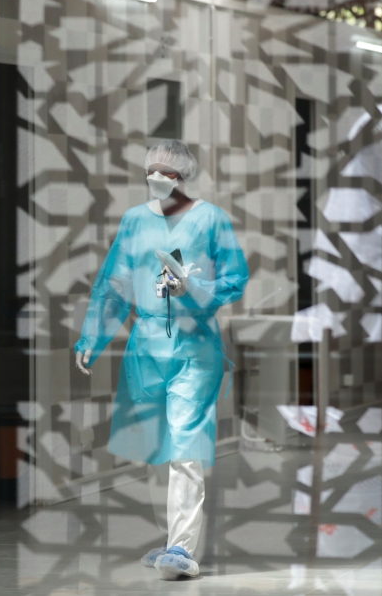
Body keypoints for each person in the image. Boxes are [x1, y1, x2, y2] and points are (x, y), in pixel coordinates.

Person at [75, 140, 249, 580]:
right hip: (146, 347)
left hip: (195, 347)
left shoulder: (210, 219)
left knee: (185, 448)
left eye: (164, 171)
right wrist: (91, 338)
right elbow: (114, 283)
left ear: (182, 175)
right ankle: (169, 536)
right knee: (154, 448)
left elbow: (234, 278)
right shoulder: (136, 221)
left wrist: (191, 290)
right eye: (150, 169)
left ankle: (181, 547)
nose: (156, 177)